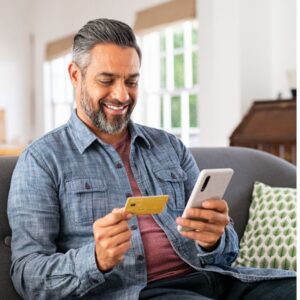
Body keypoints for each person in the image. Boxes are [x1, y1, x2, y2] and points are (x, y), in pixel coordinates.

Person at [8, 18, 295, 300]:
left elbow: (227, 251)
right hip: (139, 292)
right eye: (106, 80)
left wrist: (214, 239)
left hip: (218, 279)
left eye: (131, 81)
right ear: (75, 75)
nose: (121, 95)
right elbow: (26, 274)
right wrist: (95, 259)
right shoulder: (42, 160)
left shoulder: (169, 146)